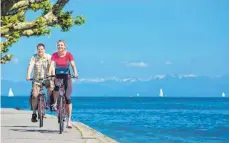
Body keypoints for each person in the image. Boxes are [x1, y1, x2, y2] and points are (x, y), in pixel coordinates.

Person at [48, 40, 78, 128]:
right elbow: (52, 65)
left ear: (65, 46)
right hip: (57, 75)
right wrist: (49, 73)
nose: (60, 46)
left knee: (68, 97)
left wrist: (75, 73)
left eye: (61, 45)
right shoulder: (54, 55)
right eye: (58, 45)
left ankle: (69, 120)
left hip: (67, 76)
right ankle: (55, 102)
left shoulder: (69, 54)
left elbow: (73, 64)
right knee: (56, 86)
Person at [26, 43, 54, 122]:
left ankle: (48, 102)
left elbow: (52, 67)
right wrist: (28, 75)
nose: (40, 51)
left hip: (46, 78)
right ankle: (34, 113)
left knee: (51, 87)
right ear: (37, 50)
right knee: (34, 95)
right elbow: (30, 66)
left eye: (42, 49)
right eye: (39, 49)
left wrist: (52, 76)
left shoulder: (48, 57)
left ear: (44, 50)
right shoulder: (34, 57)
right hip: (37, 80)